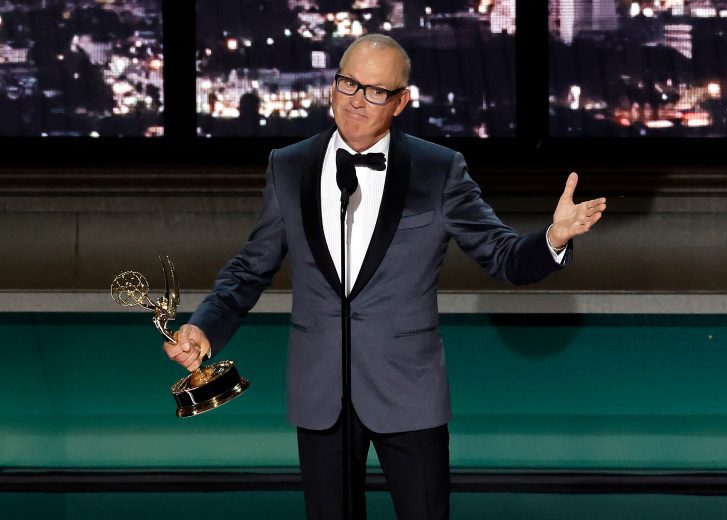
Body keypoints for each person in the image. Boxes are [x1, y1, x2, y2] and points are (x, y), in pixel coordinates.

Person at [163, 34, 606, 520]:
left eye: (375, 91)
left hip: (408, 391)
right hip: (320, 392)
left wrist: (553, 238)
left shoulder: (439, 169)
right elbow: (251, 266)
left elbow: (502, 256)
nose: (356, 100)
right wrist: (205, 325)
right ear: (332, 86)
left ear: (400, 102)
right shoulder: (288, 166)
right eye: (348, 83)